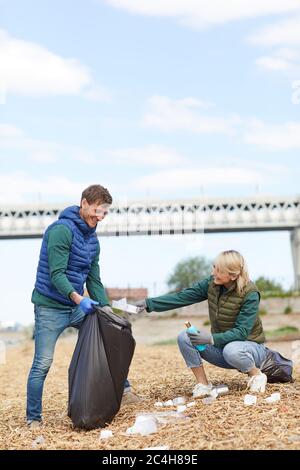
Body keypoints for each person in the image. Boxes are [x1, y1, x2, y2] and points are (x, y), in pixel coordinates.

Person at [27, 185, 139, 429]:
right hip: (50, 306)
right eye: (97, 211)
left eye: (104, 214)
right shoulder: (60, 231)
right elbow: (57, 274)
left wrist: (106, 310)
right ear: (84, 203)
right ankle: (33, 418)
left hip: (76, 304)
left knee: (109, 334)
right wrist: (79, 299)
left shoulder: (93, 239)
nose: (99, 217)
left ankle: (125, 390)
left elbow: (94, 279)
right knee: (42, 363)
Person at [136, 250, 268, 398]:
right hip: (223, 350)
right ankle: (204, 385)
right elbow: (182, 297)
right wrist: (149, 304)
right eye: (214, 267)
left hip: (249, 350)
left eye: (218, 270)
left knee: (232, 349)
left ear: (233, 275)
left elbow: (242, 332)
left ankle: (256, 375)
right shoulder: (211, 284)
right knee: (186, 336)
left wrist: (211, 339)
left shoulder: (250, 293)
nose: (213, 273)